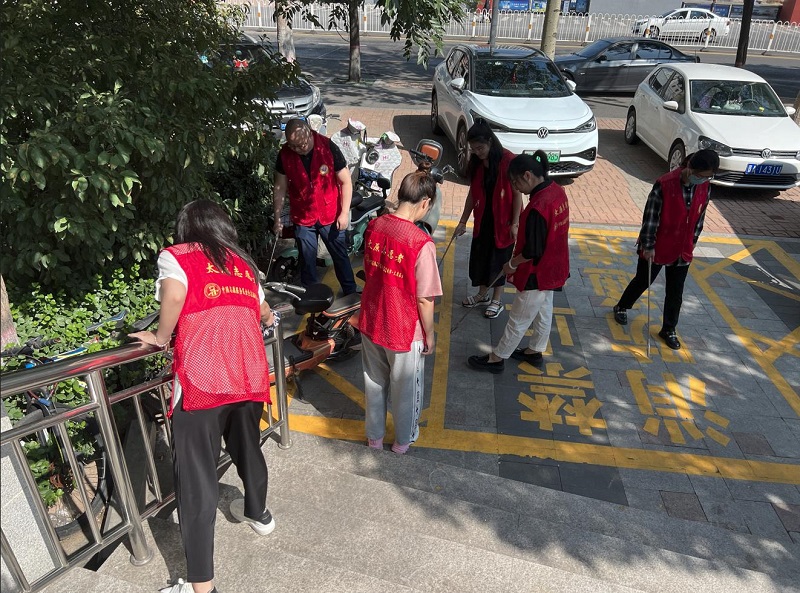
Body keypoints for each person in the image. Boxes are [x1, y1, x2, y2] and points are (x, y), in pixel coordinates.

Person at [130, 200, 275, 593]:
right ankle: (258, 514)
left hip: (202, 381)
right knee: (248, 446)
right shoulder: (241, 263)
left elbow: (175, 296)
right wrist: (267, 317)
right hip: (248, 374)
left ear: (185, 229)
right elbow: (262, 308)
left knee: (196, 482)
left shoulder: (176, 256)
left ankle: (202, 588)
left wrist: (160, 337)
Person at [359, 169, 443, 454]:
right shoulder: (421, 243)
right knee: (406, 389)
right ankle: (402, 441)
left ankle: (374, 438)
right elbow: (425, 299)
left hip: (372, 317)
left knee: (374, 382)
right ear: (425, 202)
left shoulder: (375, 226)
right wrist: (430, 334)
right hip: (404, 328)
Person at [468, 151, 570, 374]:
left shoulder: (538, 207)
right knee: (544, 309)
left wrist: (512, 264)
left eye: (515, 182)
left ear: (527, 176)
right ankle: (535, 350)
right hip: (555, 265)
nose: (515, 188)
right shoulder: (557, 191)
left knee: (519, 316)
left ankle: (497, 358)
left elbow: (532, 251)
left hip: (537, 272)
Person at [613, 149, 719, 350]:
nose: (702, 180)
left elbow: (700, 217)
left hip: (683, 249)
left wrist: (693, 241)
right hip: (658, 245)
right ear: (690, 168)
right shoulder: (665, 184)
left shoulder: (705, 186)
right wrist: (648, 245)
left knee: (675, 292)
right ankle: (622, 306)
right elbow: (651, 217)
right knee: (643, 280)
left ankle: (669, 329)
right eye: (700, 175)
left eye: (707, 177)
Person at [273, 118, 358, 295]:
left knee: (339, 255)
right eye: (293, 146)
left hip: (330, 214)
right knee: (307, 259)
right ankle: (311, 295)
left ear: (309, 134)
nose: (298, 149)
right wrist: (277, 218)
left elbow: (345, 181)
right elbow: (280, 188)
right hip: (303, 216)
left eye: (302, 145)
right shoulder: (285, 155)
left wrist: (344, 213)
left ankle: (350, 291)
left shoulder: (327, 147)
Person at [455, 120, 522, 319]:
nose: (477, 152)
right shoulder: (477, 163)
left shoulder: (508, 161)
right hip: (483, 218)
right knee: (481, 258)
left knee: (499, 259)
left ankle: (496, 300)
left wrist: (515, 223)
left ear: (490, 142)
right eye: (473, 149)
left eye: (480, 148)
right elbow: (472, 193)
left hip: (504, 221)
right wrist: (463, 221)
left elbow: (517, 194)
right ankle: (482, 294)